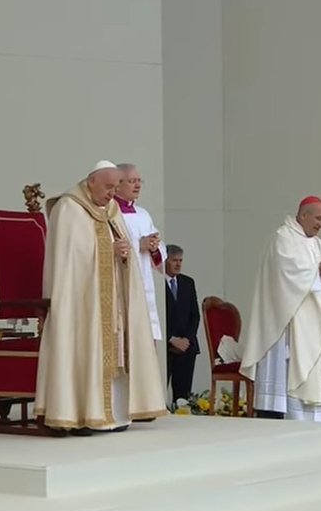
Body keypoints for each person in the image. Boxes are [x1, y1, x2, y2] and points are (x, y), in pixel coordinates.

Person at [35, 160, 167, 435]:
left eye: (115, 187)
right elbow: (70, 258)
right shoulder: (69, 208)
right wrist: (108, 250)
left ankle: (114, 415)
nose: (111, 193)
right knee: (82, 350)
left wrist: (123, 252)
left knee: (114, 350)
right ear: (91, 181)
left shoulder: (112, 209)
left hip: (110, 299)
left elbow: (122, 246)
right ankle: (78, 414)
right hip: (80, 302)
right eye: (108, 187)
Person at [239, 196, 321, 420]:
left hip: (313, 320)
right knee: (285, 374)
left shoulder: (316, 242)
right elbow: (288, 273)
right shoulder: (283, 237)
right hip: (287, 321)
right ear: (303, 214)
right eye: (318, 218)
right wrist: (317, 270)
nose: (320, 224)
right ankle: (283, 413)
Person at [114, 163, 166, 343]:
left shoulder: (144, 214)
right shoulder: (109, 213)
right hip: (122, 286)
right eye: (132, 181)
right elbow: (106, 247)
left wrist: (154, 246)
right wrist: (139, 245)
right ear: (117, 184)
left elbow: (161, 257)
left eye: (139, 180)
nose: (137, 185)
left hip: (145, 286)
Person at [164, 244, 201, 403]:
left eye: (180, 260)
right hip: (165, 347)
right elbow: (157, 316)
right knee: (160, 391)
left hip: (187, 347)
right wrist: (171, 339)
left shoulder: (188, 283)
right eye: (174, 260)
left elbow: (195, 315)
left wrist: (186, 339)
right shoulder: (156, 284)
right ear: (165, 261)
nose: (178, 264)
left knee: (183, 396)